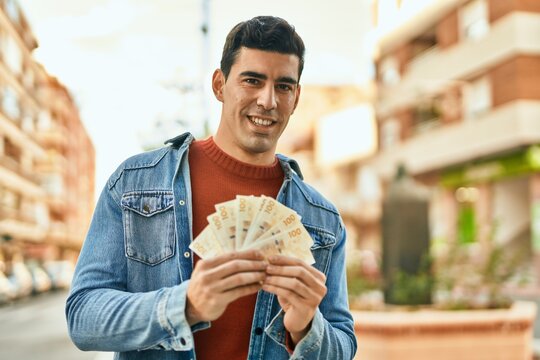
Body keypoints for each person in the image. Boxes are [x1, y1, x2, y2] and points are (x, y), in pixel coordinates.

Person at [66, 15, 357, 360]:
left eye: (283, 86)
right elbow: (83, 317)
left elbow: (344, 345)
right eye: (252, 80)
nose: (268, 100)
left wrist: (307, 326)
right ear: (219, 85)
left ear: (296, 97)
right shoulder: (134, 183)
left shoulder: (321, 219)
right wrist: (185, 305)